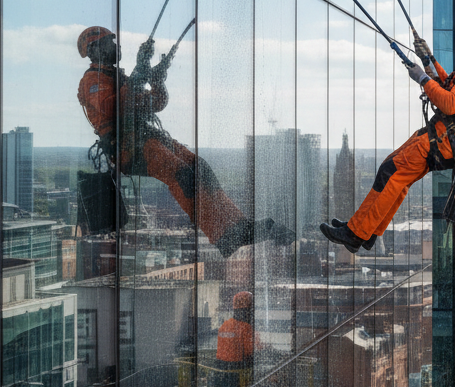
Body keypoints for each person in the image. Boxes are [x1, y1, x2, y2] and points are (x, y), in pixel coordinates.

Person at [77, 27, 294, 257]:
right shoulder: (92, 80)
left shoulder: (119, 79)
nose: (116, 46)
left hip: (146, 138)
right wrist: (140, 74)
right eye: (110, 42)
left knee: (200, 167)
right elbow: (113, 107)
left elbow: (155, 103)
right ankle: (222, 234)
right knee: (181, 174)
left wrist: (156, 81)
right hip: (127, 148)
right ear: (94, 50)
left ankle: (237, 223)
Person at [320, 14, 455, 253]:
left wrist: (423, 78)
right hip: (443, 138)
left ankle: (356, 233)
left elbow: (449, 102)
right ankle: (367, 230)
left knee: (392, 174)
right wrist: (427, 59)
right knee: (393, 173)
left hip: (444, 140)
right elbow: (448, 85)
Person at [215, 292, 261, 370]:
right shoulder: (246, 328)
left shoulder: (225, 325)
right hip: (237, 371)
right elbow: (251, 352)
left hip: (220, 368)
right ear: (248, 310)